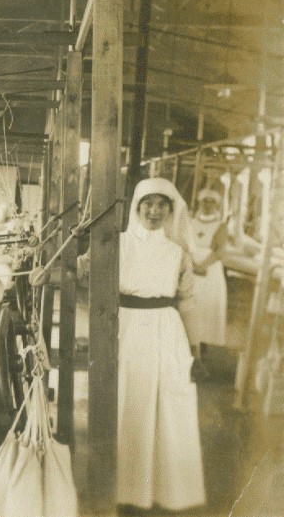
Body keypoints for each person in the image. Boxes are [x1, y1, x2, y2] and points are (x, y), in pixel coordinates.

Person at [83, 177, 205, 512]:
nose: (154, 211)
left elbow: (188, 300)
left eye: (161, 205)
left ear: (170, 210)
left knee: (166, 407)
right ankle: (120, 491)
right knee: (125, 405)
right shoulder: (116, 243)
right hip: (124, 329)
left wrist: (195, 345)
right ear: (136, 207)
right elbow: (84, 271)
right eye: (147, 203)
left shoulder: (178, 252)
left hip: (166, 333)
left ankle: (165, 491)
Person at [182, 188, 229, 369]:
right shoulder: (190, 222)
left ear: (216, 205)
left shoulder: (220, 226)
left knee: (206, 308)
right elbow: (185, 244)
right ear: (199, 203)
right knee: (190, 306)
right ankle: (189, 345)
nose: (207, 205)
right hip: (191, 267)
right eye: (204, 201)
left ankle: (204, 348)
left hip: (210, 271)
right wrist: (191, 262)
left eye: (211, 202)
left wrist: (202, 265)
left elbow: (220, 252)